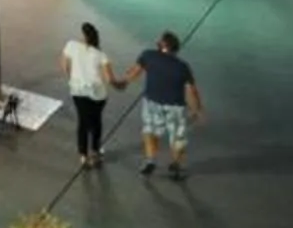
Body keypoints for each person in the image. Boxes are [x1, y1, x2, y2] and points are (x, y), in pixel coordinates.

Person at [121, 28, 205, 179]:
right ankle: (177, 165)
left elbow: (134, 72)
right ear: (175, 48)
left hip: (152, 102)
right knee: (177, 138)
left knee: (150, 131)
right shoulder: (182, 67)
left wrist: (123, 81)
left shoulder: (148, 55)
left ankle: (150, 160)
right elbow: (192, 90)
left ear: (160, 45)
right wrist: (197, 109)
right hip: (175, 107)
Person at [62, 21, 120, 168]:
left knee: (82, 122)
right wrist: (120, 84)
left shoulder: (71, 45)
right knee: (96, 122)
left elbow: (64, 64)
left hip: (78, 91)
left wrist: (71, 79)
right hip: (97, 94)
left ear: (83, 36)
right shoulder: (101, 55)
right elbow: (109, 79)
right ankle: (95, 151)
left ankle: (83, 156)